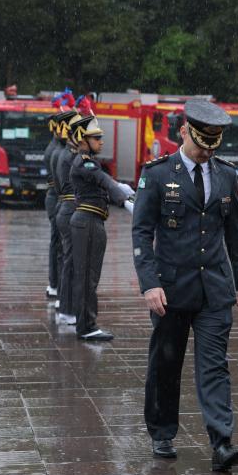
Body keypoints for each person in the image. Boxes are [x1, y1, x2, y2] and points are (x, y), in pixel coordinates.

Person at [132, 98, 238, 472]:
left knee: (215, 366)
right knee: (166, 363)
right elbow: (141, 231)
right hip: (170, 289)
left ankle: (222, 441)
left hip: (215, 289)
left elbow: (237, 231)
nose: (205, 153)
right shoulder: (156, 175)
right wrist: (149, 284)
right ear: (184, 131)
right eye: (201, 144)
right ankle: (163, 431)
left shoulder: (226, 175)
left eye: (212, 146)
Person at [68, 115, 135, 341]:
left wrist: (121, 191)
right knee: (88, 276)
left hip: (89, 222)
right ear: (83, 139)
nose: (101, 141)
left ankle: (86, 324)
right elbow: (104, 181)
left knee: (87, 276)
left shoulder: (86, 162)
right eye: (96, 137)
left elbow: (103, 183)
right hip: (87, 223)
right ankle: (87, 327)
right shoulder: (85, 163)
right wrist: (124, 201)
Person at [53, 112, 82, 326]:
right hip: (70, 208)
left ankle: (66, 306)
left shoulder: (67, 153)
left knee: (68, 261)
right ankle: (67, 309)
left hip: (66, 207)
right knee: (70, 263)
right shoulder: (70, 156)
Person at [43, 111, 75, 301]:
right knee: (58, 246)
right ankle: (56, 284)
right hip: (57, 197)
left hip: (57, 197)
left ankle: (55, 284)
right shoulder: (56, 151)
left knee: (58, 245)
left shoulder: (57, 148)